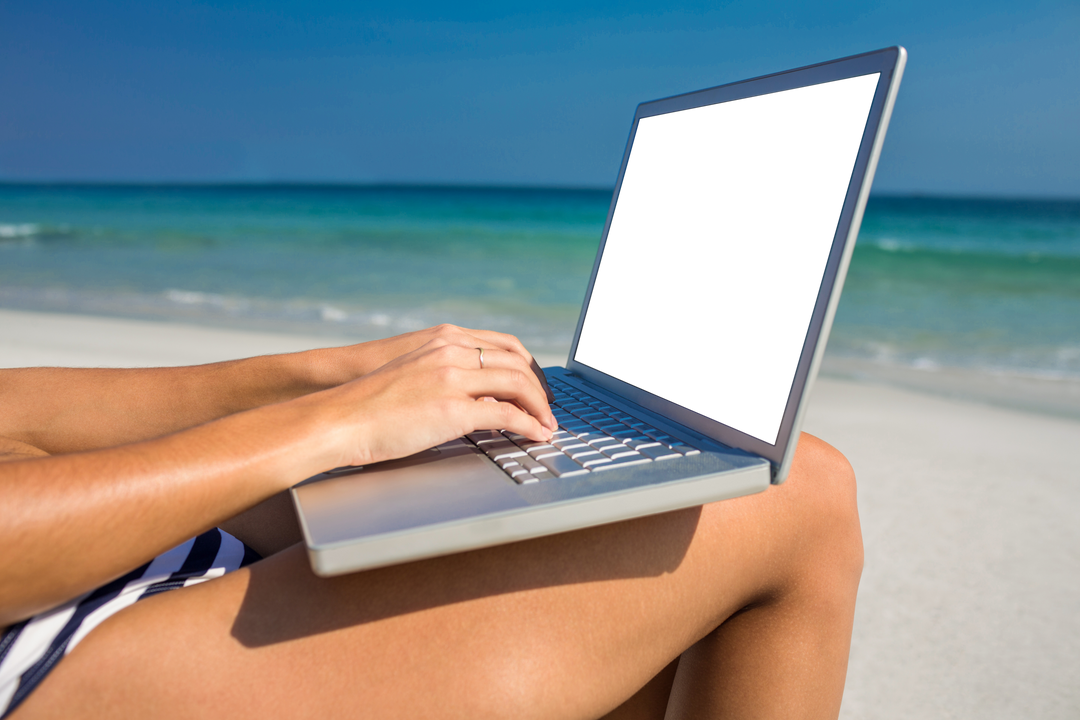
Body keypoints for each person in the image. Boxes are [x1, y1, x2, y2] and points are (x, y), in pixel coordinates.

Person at [0, 324, 861, 719]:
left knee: (625, 543)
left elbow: (21, 416)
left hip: (88, 541)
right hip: (43, 646)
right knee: (798, 493)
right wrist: (332, 426)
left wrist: (348, 375)